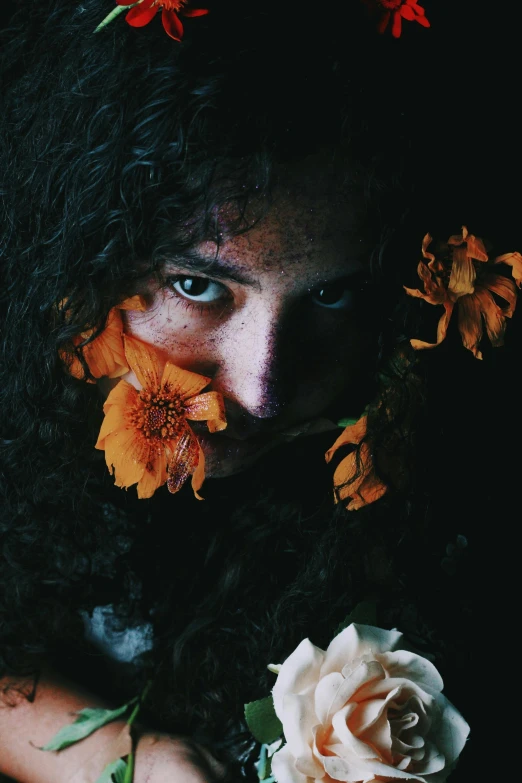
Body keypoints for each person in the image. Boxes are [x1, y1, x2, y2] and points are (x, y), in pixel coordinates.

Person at [0, 1, 518, 781]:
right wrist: (115, 757)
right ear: (82, 254)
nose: (264, 390)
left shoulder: (432, 491)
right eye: (196, 283)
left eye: (332, 296)